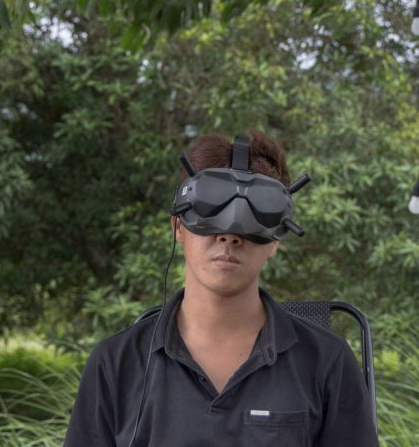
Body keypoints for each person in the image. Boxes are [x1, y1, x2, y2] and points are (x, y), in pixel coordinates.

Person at [64, 131, 378, 447]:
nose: (229, 236)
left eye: (255, 215)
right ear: (178, 229)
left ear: (274, 241)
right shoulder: (115, 365)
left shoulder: (327, 362)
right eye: (209, 210)